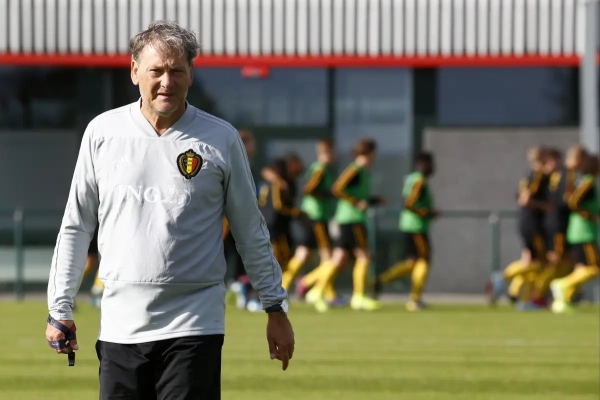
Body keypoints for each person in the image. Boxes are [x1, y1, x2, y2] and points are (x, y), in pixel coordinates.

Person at [45, 21, 294, 399]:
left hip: (195, 323)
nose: (166, 82)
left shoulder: (221, 138)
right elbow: (77, 225)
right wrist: (60, 306)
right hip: (120, 326)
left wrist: (274, 307)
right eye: (156, 71)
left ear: (191, 74)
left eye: (177, 71)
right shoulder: (103, 133)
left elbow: (250, 230)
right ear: (134, 71)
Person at [307, 138, 384, 312]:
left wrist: (372, 200)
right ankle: (359, 297)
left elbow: (353, 193)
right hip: (352, 219)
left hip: (346, 219)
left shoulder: (362, 171)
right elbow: (338, 188)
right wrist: (356, 203)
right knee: (364, 257)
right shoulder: (355, 170)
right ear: (370, 153)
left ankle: (317, 291)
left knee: (339, 258)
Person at [372, 152, 439, 311]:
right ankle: (415, 299)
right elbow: (409, 203)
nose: (432, 167)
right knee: (424, 260)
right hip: (416, 227)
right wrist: (427, 213)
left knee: (412, 262)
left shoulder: (411, 179)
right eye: (430, 164)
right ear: (423, 165)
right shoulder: (419, 181)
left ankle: (381, 280)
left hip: (409, 226)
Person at [282, 140, 342, 305]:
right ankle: (324, 292)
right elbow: (309, 189)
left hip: (312, 216)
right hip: (316, 217)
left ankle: (282, 287)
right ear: (326, 153)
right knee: (328, 256)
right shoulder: (320, 169)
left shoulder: (322, 169)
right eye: (332, 152)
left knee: (303, 254)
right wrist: (329, 194)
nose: (334, 155)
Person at [490, 146, 550, 309]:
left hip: (525, 221)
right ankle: (503, 278)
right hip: (532, 222)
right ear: (541, 158)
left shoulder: (527, 175)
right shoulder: (537, 175)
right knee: (540, 263)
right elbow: (525, 199)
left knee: (528, 260)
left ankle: (518, 295)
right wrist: (546, 206)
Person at [531, 146, 583, 307]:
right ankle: (537, 295)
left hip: (559, 223)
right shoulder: (565, 175)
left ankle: (564, 294)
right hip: (558, 224)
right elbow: (567, 199)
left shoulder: (557, 176)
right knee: (556, 261)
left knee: (568, 260)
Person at [551, 153, 600, 313]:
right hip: (584, 231)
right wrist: (590, 216)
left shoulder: (586, 181)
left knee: (581, 268)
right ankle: (563, 284)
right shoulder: (588, 182)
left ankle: (563, 301)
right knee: (594, 268)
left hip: (580, 230)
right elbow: (573, 201)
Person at [223, 129, 262, 312]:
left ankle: (242, 293)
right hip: (229, 222)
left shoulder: (247, 165)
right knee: (228, 257)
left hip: (241, 221)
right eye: (251, 143)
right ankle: (239, 291)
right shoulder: (234, 164)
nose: (254, 147)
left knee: (242, 260)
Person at [258, 156, 305, 267]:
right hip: (274, 223)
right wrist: (297, 213)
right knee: (279, 254)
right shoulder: (279, 184)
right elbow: (278, 206)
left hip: (266, 221)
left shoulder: (270, 182)